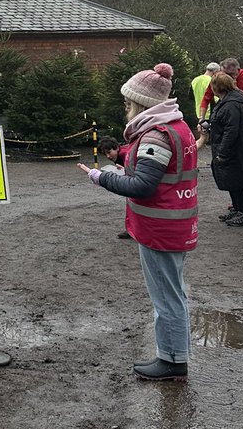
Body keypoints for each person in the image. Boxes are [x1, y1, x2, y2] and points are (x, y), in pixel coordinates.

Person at [79, 62, 197, 381]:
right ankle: (175, 355)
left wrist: (100, 177)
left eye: (127, 101)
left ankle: (172, 361)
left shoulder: (155, 136)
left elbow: (143, 186)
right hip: (175, 224)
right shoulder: (177, 126)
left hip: (160, 229)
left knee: (166, 297)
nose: (125, 107)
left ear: (140, 103)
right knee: (173, 293)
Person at [207, 70, 243, 226]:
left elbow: (231, 131)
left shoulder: (231, 104)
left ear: (217, 87)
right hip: (233, 148)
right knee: (232, 181)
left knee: (237, 181)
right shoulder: (229, 101)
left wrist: (223, 153)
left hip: (234, 149)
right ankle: (238, 209)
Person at [198, 57, 243, 121]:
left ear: (238, 69)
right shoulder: (219, 78)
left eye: (231, 74)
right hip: (227, 117)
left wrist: (236, 89)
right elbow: (206, 99)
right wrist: (201, 118)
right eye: (225, 74)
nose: (228, 77)